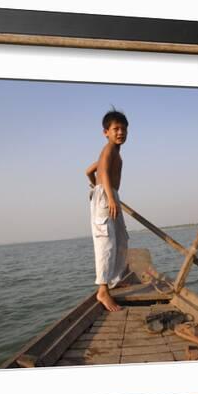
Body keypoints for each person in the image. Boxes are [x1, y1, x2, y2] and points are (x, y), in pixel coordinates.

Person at [85, 109, 130, 312]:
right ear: (106, 132)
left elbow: (89, 170)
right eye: (116, 129)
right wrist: (107, 196)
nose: (120, 132)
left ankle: (114, 280)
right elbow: (102, 171)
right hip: (107, 196)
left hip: (108, 193)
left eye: (123, 128)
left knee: (121, 238)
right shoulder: (109, 149)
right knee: (106, 241)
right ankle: (103, 290)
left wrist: (94, 186)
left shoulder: (115, 153)